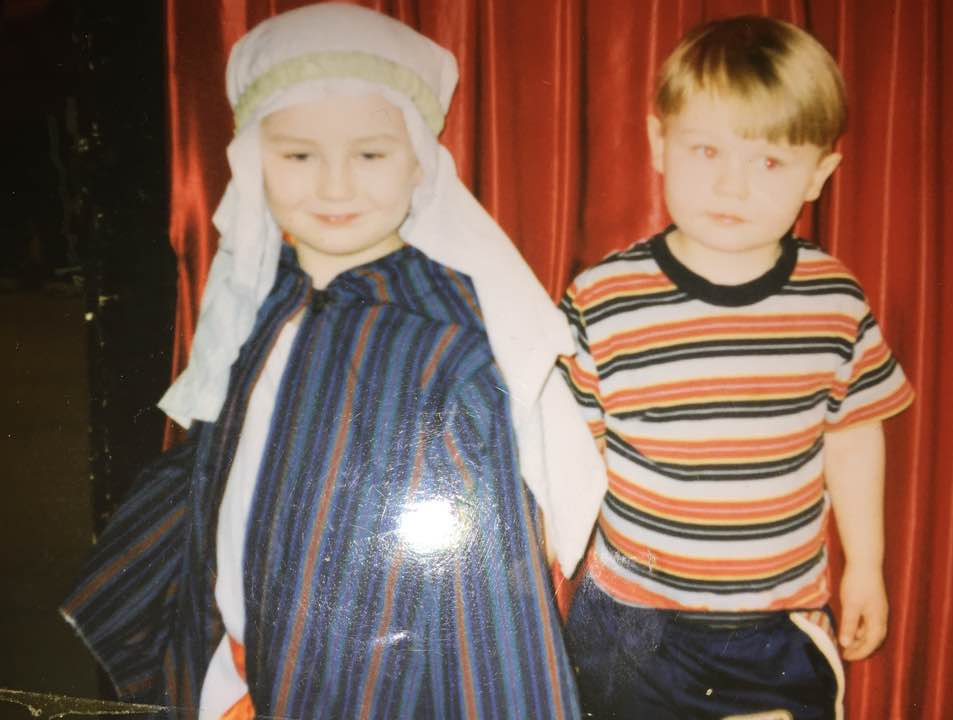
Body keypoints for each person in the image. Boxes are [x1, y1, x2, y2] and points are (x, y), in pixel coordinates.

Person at [61, 4, 607, 718]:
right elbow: (218, 471)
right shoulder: (264, 302)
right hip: (229, 678)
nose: (335, 185)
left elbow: (491, 597)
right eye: (298, 154)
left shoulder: (445, 349)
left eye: (370, 153)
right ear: (253, 159)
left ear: (419, 162)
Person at [558, 15, 914, 719]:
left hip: (777, 624)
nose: (733, 186)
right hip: (634, 623)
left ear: (821, 174)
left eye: (770, 162)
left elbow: (851, 438)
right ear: (660, 144)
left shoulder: (834, 300)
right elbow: (568, 457)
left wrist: (866, 567)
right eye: (706, 150)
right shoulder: (601, 297)